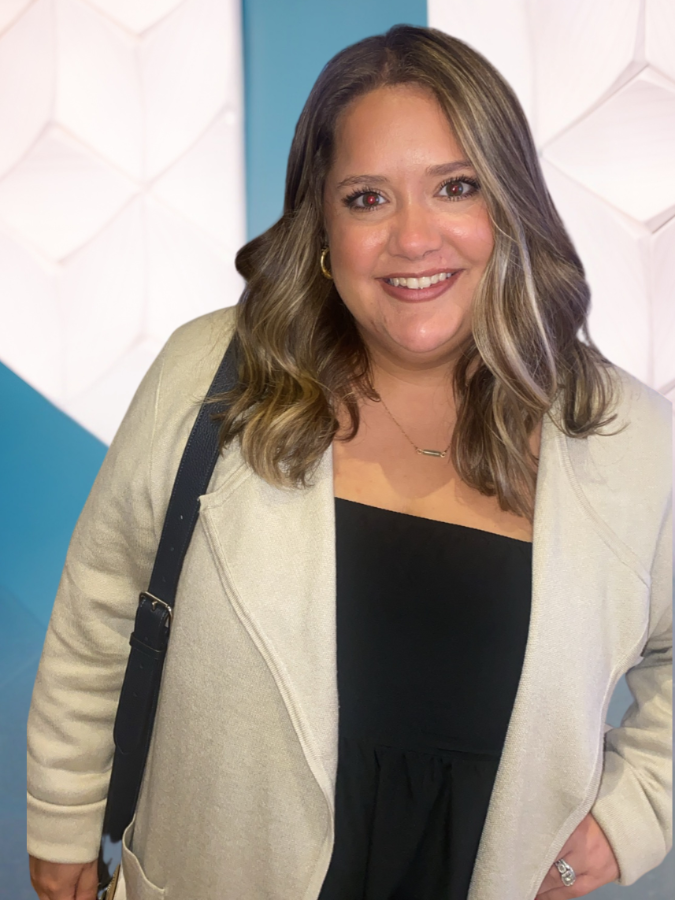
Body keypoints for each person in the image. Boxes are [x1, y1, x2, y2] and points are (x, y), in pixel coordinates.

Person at [27, 24, 671, 900]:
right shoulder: (209, 375)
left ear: (509, 203)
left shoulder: (626, 438)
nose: (413, 239)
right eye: (368, 198)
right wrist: (62, 825)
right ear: (322, 227)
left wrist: (632, 814)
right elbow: (98, 613)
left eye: (454, 186)